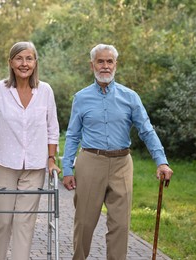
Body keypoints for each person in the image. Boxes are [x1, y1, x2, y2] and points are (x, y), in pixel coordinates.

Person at [61, 43, 173, 260]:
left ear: (115, 64)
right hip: (90, 161)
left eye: (109, 61)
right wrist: (67, 169)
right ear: (92, 65)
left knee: (120, 225)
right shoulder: (81, 98)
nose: (105, 66)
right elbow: (73, 135)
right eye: (100, 61)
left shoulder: (130, 97)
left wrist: (162, 161)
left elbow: (147, 130)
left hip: (122, 163)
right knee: (84, 223)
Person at [0, 41, 60, 260]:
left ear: (35, 62)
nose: (24, 63)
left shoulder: (45, 91)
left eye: (29, 58)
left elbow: (53, 129)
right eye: (19, 58)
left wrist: (51, 160)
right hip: (3, 164)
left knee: (24, 221)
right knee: (3, 219)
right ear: (11, 63)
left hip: (34, 167)